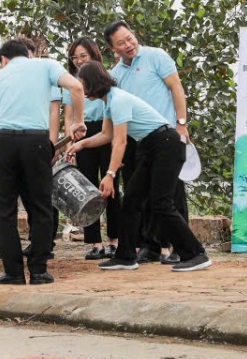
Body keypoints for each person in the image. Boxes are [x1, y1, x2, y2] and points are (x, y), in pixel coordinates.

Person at [69, 62, 211, 272]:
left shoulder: (118, 100)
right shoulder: (109, 102)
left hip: (167, 144)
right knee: (132, 200)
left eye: (83, 85)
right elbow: (106, 135)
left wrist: (109, 174)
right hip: (151, 146)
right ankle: (125, 256)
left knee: (161, 203)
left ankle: (195, 253)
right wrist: (81, 144)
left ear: (93, 82)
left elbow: (120, 142)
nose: (82, 91)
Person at [0, 39, 85, 285]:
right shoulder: (44, 65)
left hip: (3, 141)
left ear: (4, 59)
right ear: (27, 54)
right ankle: (38, 271)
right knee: (40, 206)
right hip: (36, 141)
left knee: (4, 209)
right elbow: (77, 88)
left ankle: (13, 273)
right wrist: (78, 121)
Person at [105, 21, 192, 264]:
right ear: (113, 49)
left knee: (173, 192)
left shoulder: (156, 56)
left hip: (166, 135)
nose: (128, 44)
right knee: (138, 194)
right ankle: (150, 245)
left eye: (129, 38)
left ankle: (178, 246)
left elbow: (176, 87)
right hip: (136, 140)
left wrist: (181, 123)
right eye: (121, 43)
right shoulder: (116, 75)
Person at [64, 38, 118, 259]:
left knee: (110, 187)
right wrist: (71, 145)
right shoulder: (71, 82)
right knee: (86, 191)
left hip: (107, 132)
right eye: (74, 57)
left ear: (94, 55)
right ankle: (95, 243)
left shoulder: (107, 77)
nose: (78, 61)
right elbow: (68, 117)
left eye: (83, 56)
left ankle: (115, 240)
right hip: (81, 135)